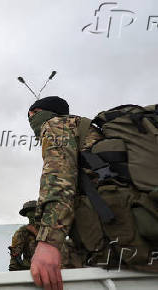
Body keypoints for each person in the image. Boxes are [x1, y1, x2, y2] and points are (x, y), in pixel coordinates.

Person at [27, 96, 158, 290]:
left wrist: (49, 243)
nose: (31, 120)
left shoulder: (57, 125)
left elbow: (59, 181)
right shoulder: (94, 134)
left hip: (124, 243)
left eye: (34, 115)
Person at [9, 200, 39, 271]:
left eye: (34, 211)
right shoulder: (22, 231)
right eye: (29, 212)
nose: (32, 214)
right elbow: (15, 255)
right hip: (29, 270)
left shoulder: (49, 230)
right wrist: (13, 271)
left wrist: (35, 232)